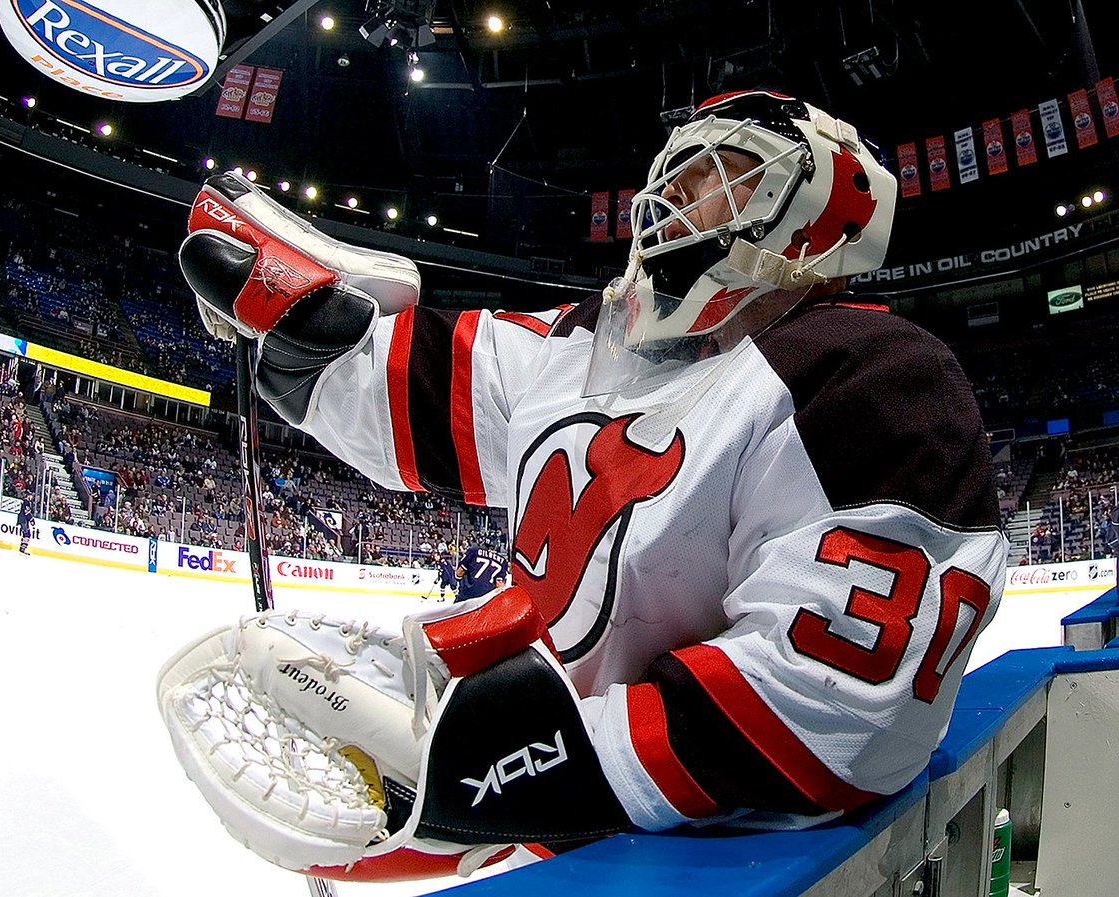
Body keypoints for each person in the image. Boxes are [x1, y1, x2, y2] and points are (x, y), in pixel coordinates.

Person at [175, 90, 1006, 875]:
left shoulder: (873, 378)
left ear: (814, 217)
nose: (673, 188)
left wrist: (523, 762)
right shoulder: (587, 340)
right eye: (675, 166)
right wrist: (307, 334)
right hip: (569, 840)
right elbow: (429, 389)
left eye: (723, 169)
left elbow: (834, 709)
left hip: (720, 867)